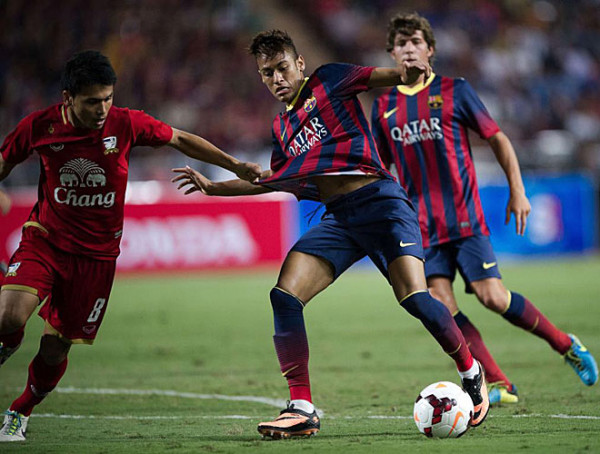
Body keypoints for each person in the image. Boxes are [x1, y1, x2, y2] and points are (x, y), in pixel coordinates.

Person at [173, 29, 490, 440]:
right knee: (285, 296)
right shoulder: (281, 128)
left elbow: (382, 77)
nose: (276, 79)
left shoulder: (329, 80)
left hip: (381, 204)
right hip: (340, 219)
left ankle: (471, 371)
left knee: (414, 298)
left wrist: (406, 73)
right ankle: (302, 408)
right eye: (266, 73)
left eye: (282, 67)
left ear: (299, 63)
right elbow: (275, 179)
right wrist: (215, 187)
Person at [0, 50, 262, 442]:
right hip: (46, 241)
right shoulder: (40, 126)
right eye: (93, 101)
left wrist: (236, 166)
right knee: (10, 317)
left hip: (97, 257)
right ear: (68, 98)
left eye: (108, 98)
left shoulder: (125, 124)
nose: (103, 108)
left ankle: (20, 411)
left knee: (55, 349)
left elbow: (181, 139)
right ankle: (8, 338)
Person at [370, 12, 598, 405]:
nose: (408, 48)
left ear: (430, 50)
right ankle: (497, 381)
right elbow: (379, 168)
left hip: (465, 218)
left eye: (415, 41)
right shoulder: (384, 105)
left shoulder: (454, 90)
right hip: (421, 227)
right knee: (442, 305)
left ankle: (566, 345)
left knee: (493, 296)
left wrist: (518, 189)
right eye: (401, 43)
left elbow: (499, 139)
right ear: (392, 53)